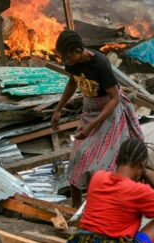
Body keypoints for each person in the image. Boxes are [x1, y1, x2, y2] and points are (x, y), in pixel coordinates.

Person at [51, 30, 144, 207]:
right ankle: (76, 209)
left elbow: (114, 98)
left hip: (109, 111)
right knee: (78, 157)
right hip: (90, 109)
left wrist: (92, 125)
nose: (65, 60)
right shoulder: (72, 63)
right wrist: (58, 109)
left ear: (78, 51)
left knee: (101, 162)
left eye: (67, 56)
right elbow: (73, 82)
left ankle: (105, 206)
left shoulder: (100, 64)